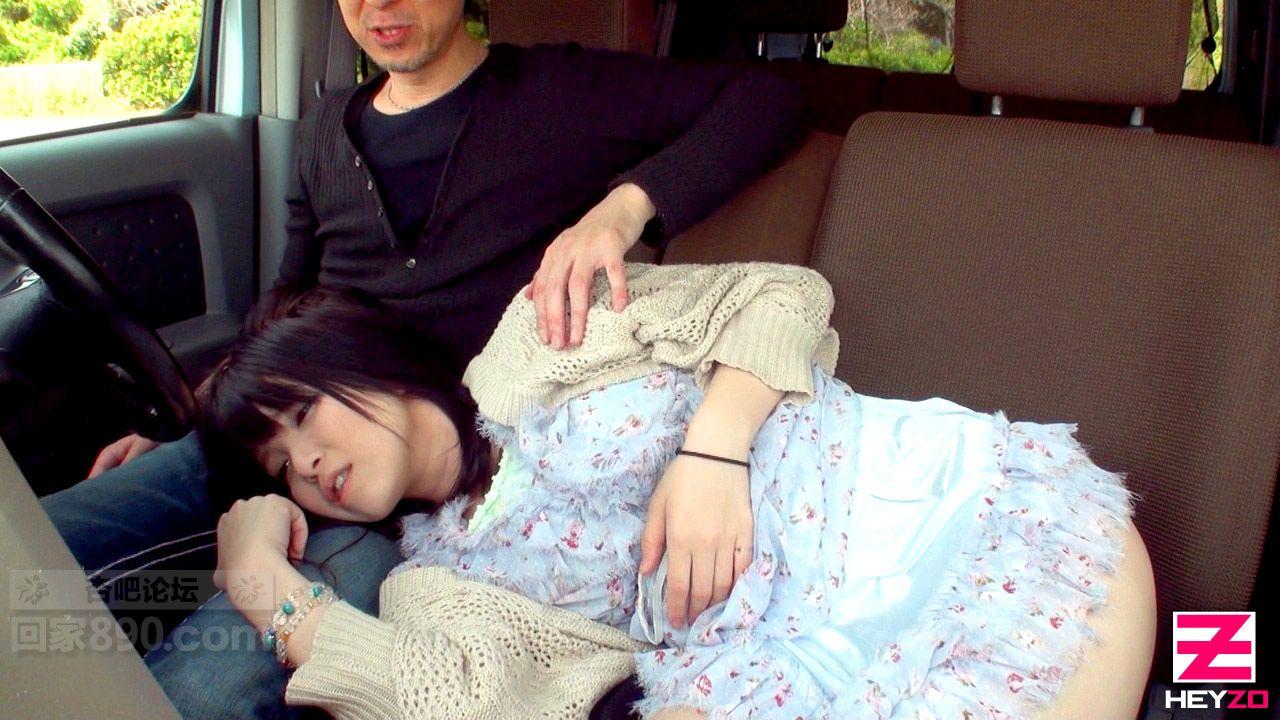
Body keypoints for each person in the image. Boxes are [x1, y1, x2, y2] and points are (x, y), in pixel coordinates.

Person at [39, 0, 803, 715]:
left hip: (425, 506)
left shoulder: (558, 91)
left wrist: (622, 209)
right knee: (42, 543)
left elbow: (768, 98)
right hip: (288, 425)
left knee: (202, 681)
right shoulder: (325, 131)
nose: (379, 5)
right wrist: (202, 412)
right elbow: (286, 300)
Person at [201, 264, 1158, 720]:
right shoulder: (435, 578)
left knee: (1175, 678)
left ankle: (1214, 676)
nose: (307, 465)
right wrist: (258, 580)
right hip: (777, 667)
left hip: (929, 517)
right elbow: (442, 701)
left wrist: (715, 450)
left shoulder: (541, 331)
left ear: (358, 357)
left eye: (302, 416)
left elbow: (781, 295)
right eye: (281, 467)